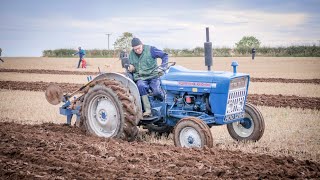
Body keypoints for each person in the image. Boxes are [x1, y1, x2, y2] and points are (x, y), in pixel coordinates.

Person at [127, 37, 168, 117]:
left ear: (142, 44)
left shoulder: (151, 49)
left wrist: (163, 67)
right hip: (140, 77)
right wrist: (131, 67)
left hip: (153, 76)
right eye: (135, 49)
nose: (137, 50)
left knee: (156, 91)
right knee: (140, 86)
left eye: (139, 48)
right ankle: (148, 110)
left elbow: (165, 55)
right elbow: (131, 65)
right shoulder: (131, 54)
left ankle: (164, 103)